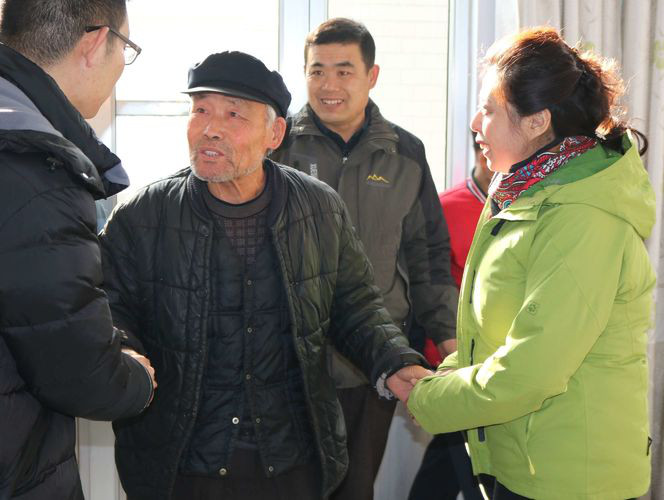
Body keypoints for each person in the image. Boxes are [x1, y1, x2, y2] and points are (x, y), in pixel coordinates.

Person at [100, 51, 432, 500]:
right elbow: (109, 306)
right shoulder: (143, 215)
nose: (210, 128)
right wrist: (124, 350)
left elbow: (355, 305)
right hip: (182, 461)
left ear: (274, 134)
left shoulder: (318, 208)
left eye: (233, 114)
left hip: (291, 458)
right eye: (200, 111)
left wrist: (395, 361)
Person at [407, 27, 656, 500]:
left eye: (489, 110)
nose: (475, 123)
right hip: (528, 459)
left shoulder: (582, 215)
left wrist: (429, 398)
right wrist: (442, 376)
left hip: (571, 476)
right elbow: (497, 334)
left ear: (538, 121)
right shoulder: (523, 193)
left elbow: (533, 369)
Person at [272, 18, 457, 499]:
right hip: (289, 362)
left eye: (344, 71)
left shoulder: (404, 153)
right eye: (317, 71)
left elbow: (428, 256)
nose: (328, 85)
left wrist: (450, 340)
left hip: (372, 361)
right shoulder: (277, 144)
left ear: (372, 76)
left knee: (354, 489)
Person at [0, 1, 156, 499]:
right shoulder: (37, 166)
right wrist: (136, 376)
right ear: (95, 43)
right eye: (126, 48)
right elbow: (76, 371)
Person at [408, 139, 493, 500]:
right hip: (452, 354)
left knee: (458, 459)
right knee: (457, 455)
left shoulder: (525, 204)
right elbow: (427, 284)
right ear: (481, 153)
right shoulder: (447, 207)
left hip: (498, 356)